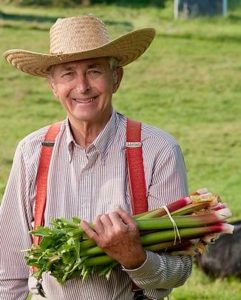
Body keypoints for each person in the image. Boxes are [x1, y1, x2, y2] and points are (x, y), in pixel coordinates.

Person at [0, 15, 192, 300]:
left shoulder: (158, 151)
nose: (82, 87)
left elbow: (180, 269)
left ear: (116, 77)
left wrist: (135, 258)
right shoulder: (32, 152)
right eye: (67, 73)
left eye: (94, 71)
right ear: (53, 85)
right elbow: (8, 273)